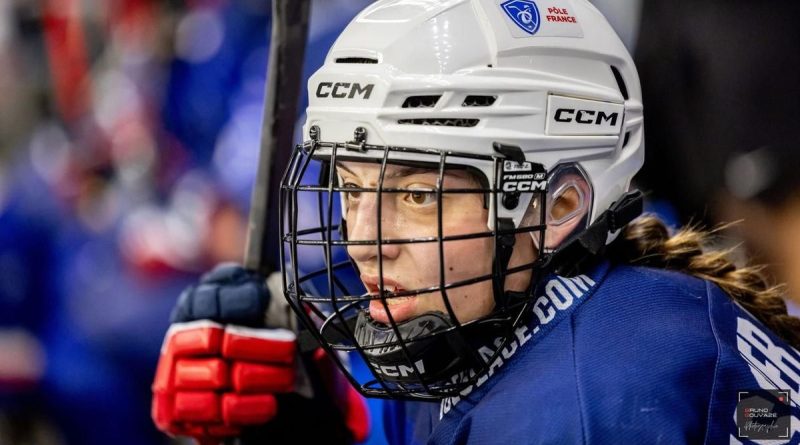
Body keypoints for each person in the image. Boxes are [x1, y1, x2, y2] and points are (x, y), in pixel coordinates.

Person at [151, 1, 800, 444]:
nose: (364, 239)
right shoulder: (480, 313)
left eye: (417, 197)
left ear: (561, 206)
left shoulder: (585, 407)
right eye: (350, 189)